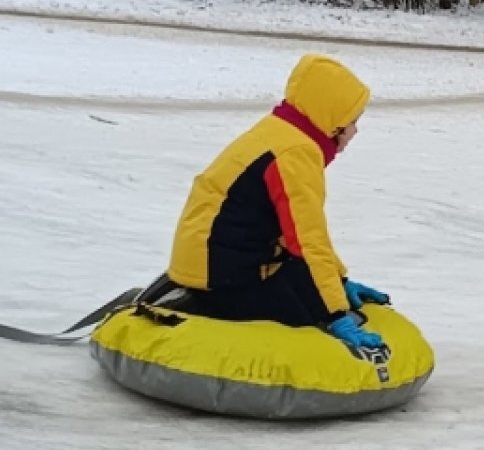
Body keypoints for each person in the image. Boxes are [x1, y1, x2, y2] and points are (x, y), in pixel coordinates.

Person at [164, 53, 389, 350]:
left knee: (301, 278)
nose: (355, 131)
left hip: (211, 264)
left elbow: (296, 233)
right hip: (222, 280)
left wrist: (339, 280)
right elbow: (307, 243)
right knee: (308, 315)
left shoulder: (278, 132)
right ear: (333, 123)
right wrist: (335, 312)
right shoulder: (296, 154)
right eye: (352, 121)